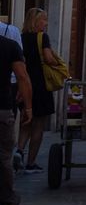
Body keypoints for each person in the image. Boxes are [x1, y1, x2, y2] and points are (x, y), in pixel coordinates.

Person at [18, 9, 58, 172]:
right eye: (44, 20)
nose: (46, 23)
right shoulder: (43, 38)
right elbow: (48, 58)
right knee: (38, 125)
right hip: (41, 85)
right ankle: (30, 163)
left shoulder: (20, 38)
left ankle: (19, 151)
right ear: (36, 22)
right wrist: (57, 63)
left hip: (25, 84)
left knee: (26, 122)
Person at [0, 33, 31, 205]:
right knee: (4, 156)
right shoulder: (9, 45)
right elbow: (22, 77)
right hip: (2, 107)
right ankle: (5, 199)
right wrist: (28, 107)